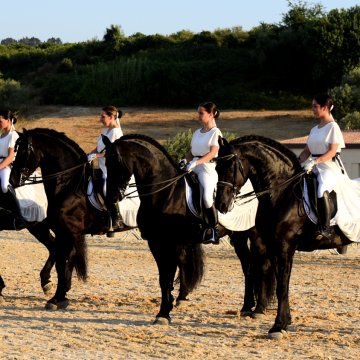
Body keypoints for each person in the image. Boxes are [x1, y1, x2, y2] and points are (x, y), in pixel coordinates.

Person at [297, 93, 360, 241]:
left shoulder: (333, 127)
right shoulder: (314, 129)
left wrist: (315, 161)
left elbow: (332, 151)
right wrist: (295, 162)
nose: (312, 109)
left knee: (322, 188)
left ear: (325, 108)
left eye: (315, 106)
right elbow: (307, 151)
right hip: (311, 165)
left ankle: (324, 228)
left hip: (328, 167)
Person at [179, 102, 222, 244]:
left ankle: (214, 229)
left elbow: (212, 153)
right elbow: (193, 152)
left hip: (206, 169)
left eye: (201, 113)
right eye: (198, 113)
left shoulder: (215, 132)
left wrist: (196, 163)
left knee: (207, 198)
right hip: (193, 166)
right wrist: (185, 161)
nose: (198, 115)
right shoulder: (198, 132)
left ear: (211, 114)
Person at [87, 106, 125, 230]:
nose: (101, 119)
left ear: (112, 117)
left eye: (103, 117)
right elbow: (98, 148)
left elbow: (112, 153)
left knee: (105, 189)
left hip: (111, 169)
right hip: (102, 166)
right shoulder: (105, 131)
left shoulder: (116, 133)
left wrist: (95, 156)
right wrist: (87, 155)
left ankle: (116, 216)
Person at [0, 110, 26, 230]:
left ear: (8, 120)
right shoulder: (0, 135)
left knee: (5, 185)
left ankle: (18, 217)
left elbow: (10, 157)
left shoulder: (13, 135)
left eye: (0, 121)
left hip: (7, 165)